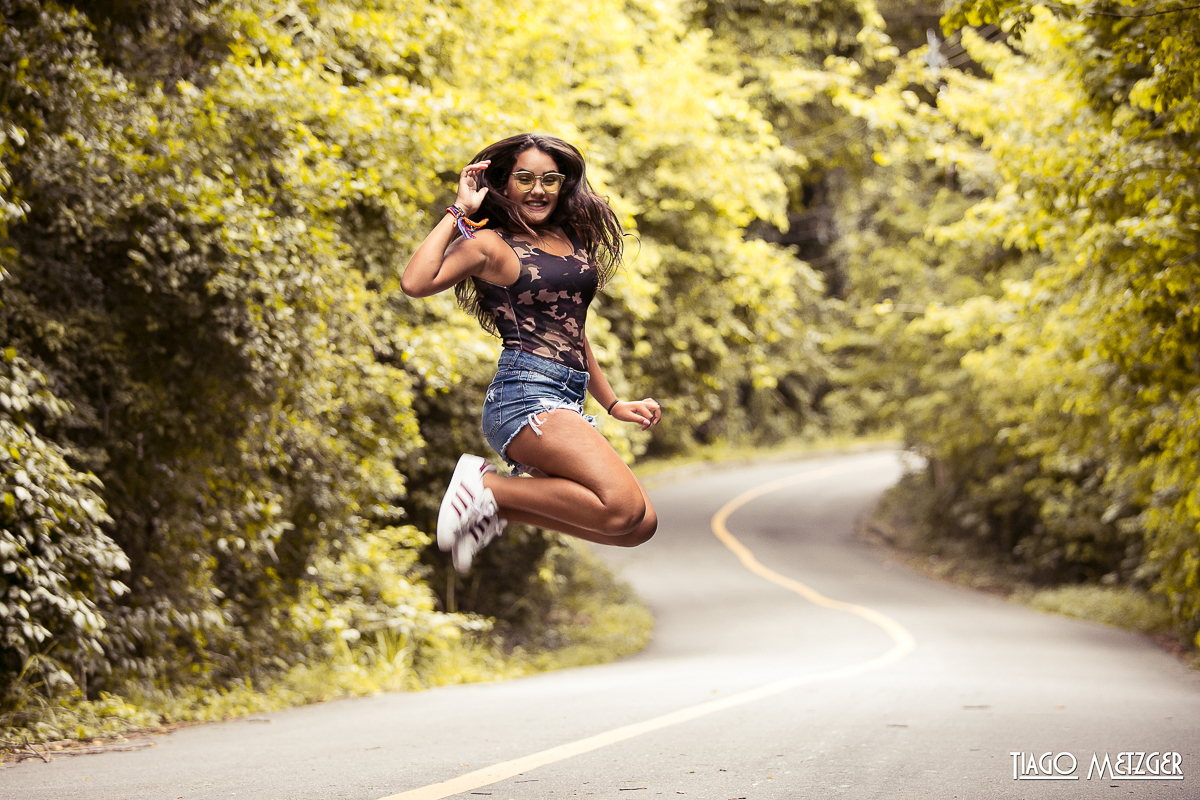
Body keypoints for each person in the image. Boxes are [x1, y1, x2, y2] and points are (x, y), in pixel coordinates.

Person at [401, 134, 661, 573]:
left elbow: (574, 333)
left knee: (638, 526)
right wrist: (458, 212)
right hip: (525, 396)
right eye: (525, 178)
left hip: (567, 395)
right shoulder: (490, 245)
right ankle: (486, 487)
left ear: (563, 185)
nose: (537, 189)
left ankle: (497, 506)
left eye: (549, 179)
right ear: (504, 184)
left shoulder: (568, 237)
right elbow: (415, 283)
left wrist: (613, 403)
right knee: (620, 507)